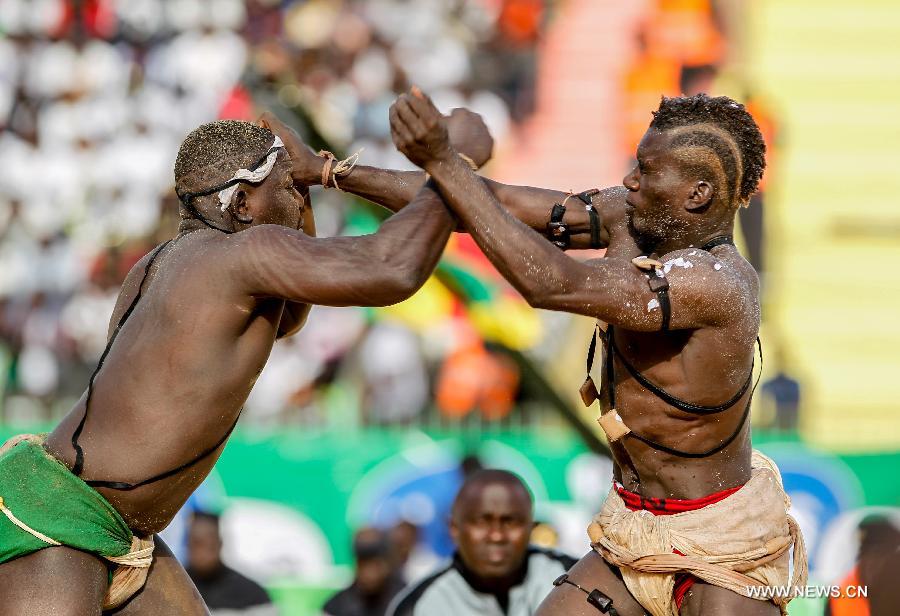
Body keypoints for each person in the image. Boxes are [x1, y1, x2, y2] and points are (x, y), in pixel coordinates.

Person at [0, 103, 493, 614]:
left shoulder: (162, 265)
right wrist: (453, 162)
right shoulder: (242, 257)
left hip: (104, 519)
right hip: (58, 517)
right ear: (241, 204)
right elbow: (393, 269)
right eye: (287, 186)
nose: (299, 195)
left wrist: (303, 182)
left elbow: (293, 318)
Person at [374, 89, 807, 616]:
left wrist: (444, 158)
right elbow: (490, 201)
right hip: (633, 531)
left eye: (646, 170)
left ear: (696, 194)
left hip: (721, 547)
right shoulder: (636, 214)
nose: (629, 181)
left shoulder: (718, 283)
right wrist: (330, 172)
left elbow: (551, 284)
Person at [387, 469, 575, 616]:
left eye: (510, 521)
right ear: (454, 528)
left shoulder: (574, 578)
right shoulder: (419, 607)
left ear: (530, 527)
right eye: (481, 522)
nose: (496, 536)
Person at [186, 511, 276, 615]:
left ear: (219, 545)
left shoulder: (253, 595)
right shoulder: (174, 586)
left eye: (210, 546)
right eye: (196, 544)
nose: (202, 554)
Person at [322, 527, 405, 616]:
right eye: (362, 564)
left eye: (374, 565)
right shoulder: (336, 605)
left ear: (387, 564)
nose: (368, 574)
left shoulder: (404, 600)